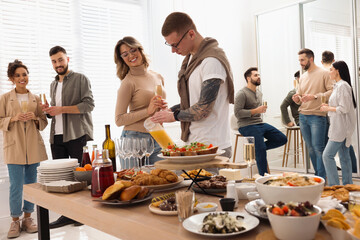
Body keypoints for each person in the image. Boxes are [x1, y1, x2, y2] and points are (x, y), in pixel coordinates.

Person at [151, 12, 234, 158]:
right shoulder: (191, 60)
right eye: (169, 45)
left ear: (191, 34)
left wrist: (174, 116)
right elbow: (194, 102)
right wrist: (170, 110)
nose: (173, 50)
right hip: (194, 144)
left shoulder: (211, 61)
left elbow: (203, 109)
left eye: (175, 45)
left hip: (213, 148)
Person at [42, 46, 94, 229]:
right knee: (62, 179)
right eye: (54, 61)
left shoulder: (81, 79)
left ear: (67, 59)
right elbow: (56, 112)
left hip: (76, 133)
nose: (58, 64)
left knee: (80, 177)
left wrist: (61, 109)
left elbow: (88, 105)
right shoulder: (53, 84)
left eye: (60, 60)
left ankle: (82, 214)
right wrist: (49, 111)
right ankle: (67, 214)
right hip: (56, 136)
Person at [0, 60, 48, 238]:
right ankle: (15, 221)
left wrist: (35, 117)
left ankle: (28, 218)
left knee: (31, 185)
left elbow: (43, 122)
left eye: (24, 74)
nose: (22, 78)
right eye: (18, 75)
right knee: (16, 187)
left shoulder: (35, 98)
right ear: (12, 78)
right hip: (14, 148)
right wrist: (14, 118)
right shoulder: (5, 98)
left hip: (33, 148)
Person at [114, 36, 166, 164]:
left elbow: (157, 108)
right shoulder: (128, 82)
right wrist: (147, 111)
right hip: (134, 139)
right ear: (122, 59)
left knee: (161, 181)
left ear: (140, 49)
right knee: (134, 182)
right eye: (125, 54)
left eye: (133, 50)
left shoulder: (157, 76)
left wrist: (164, 108)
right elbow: (119, 119)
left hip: (158, 135)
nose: (131, 55)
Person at [234, 67, 287, 175]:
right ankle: (264, 177)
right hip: (246, 125)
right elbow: (237, 113)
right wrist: (255, 110)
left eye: (259, 75)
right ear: (248, 78)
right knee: (260, 149)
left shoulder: (259, 93)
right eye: (255, 75)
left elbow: (257, 112)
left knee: (282, 139)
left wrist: (260, 111)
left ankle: (258, 149)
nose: (259, 77)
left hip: (259, 123)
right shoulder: (242, 93)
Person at [292, 48, 333, 179]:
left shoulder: (324, 73)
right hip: (303, 116)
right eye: (299, 60)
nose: (301, 63)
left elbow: (332, 91)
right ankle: (318, 177)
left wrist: (315, 96)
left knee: (318, 149)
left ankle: (321, 179)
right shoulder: (302, 77)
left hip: (317, 116)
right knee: (310, 149)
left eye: (302, 60)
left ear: (311, 59)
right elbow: (300, 96)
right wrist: (297, 99)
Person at [321, 50, 358, 173]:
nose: (329, 72)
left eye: (331, 69)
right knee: (344, 157)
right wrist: (329, 106)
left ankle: (334, 185)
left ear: (337, 71)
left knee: (327, 156)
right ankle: (347, 185)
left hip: (340, 128)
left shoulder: (343, 86)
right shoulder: (338, 86)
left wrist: (328, 108)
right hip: (339, 126)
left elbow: (344, 108)